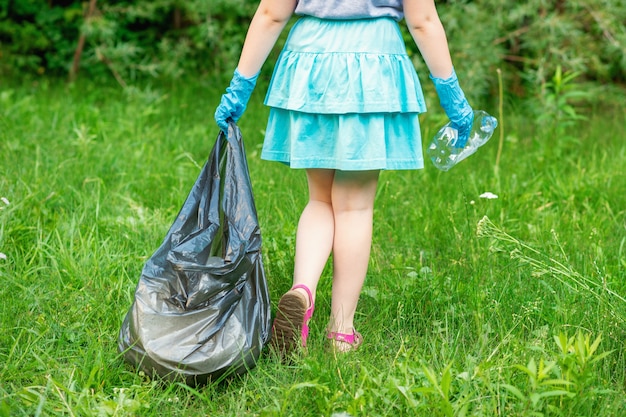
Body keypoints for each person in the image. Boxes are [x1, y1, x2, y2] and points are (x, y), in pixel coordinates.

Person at [215, 0, 474, 355]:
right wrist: (453, 95)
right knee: (353, 207)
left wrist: (239, 87)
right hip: (372, 64)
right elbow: (424, 21)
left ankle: (303, 290)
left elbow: (271, 14)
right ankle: (341, 331)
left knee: (320, 199)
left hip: (310, 64)